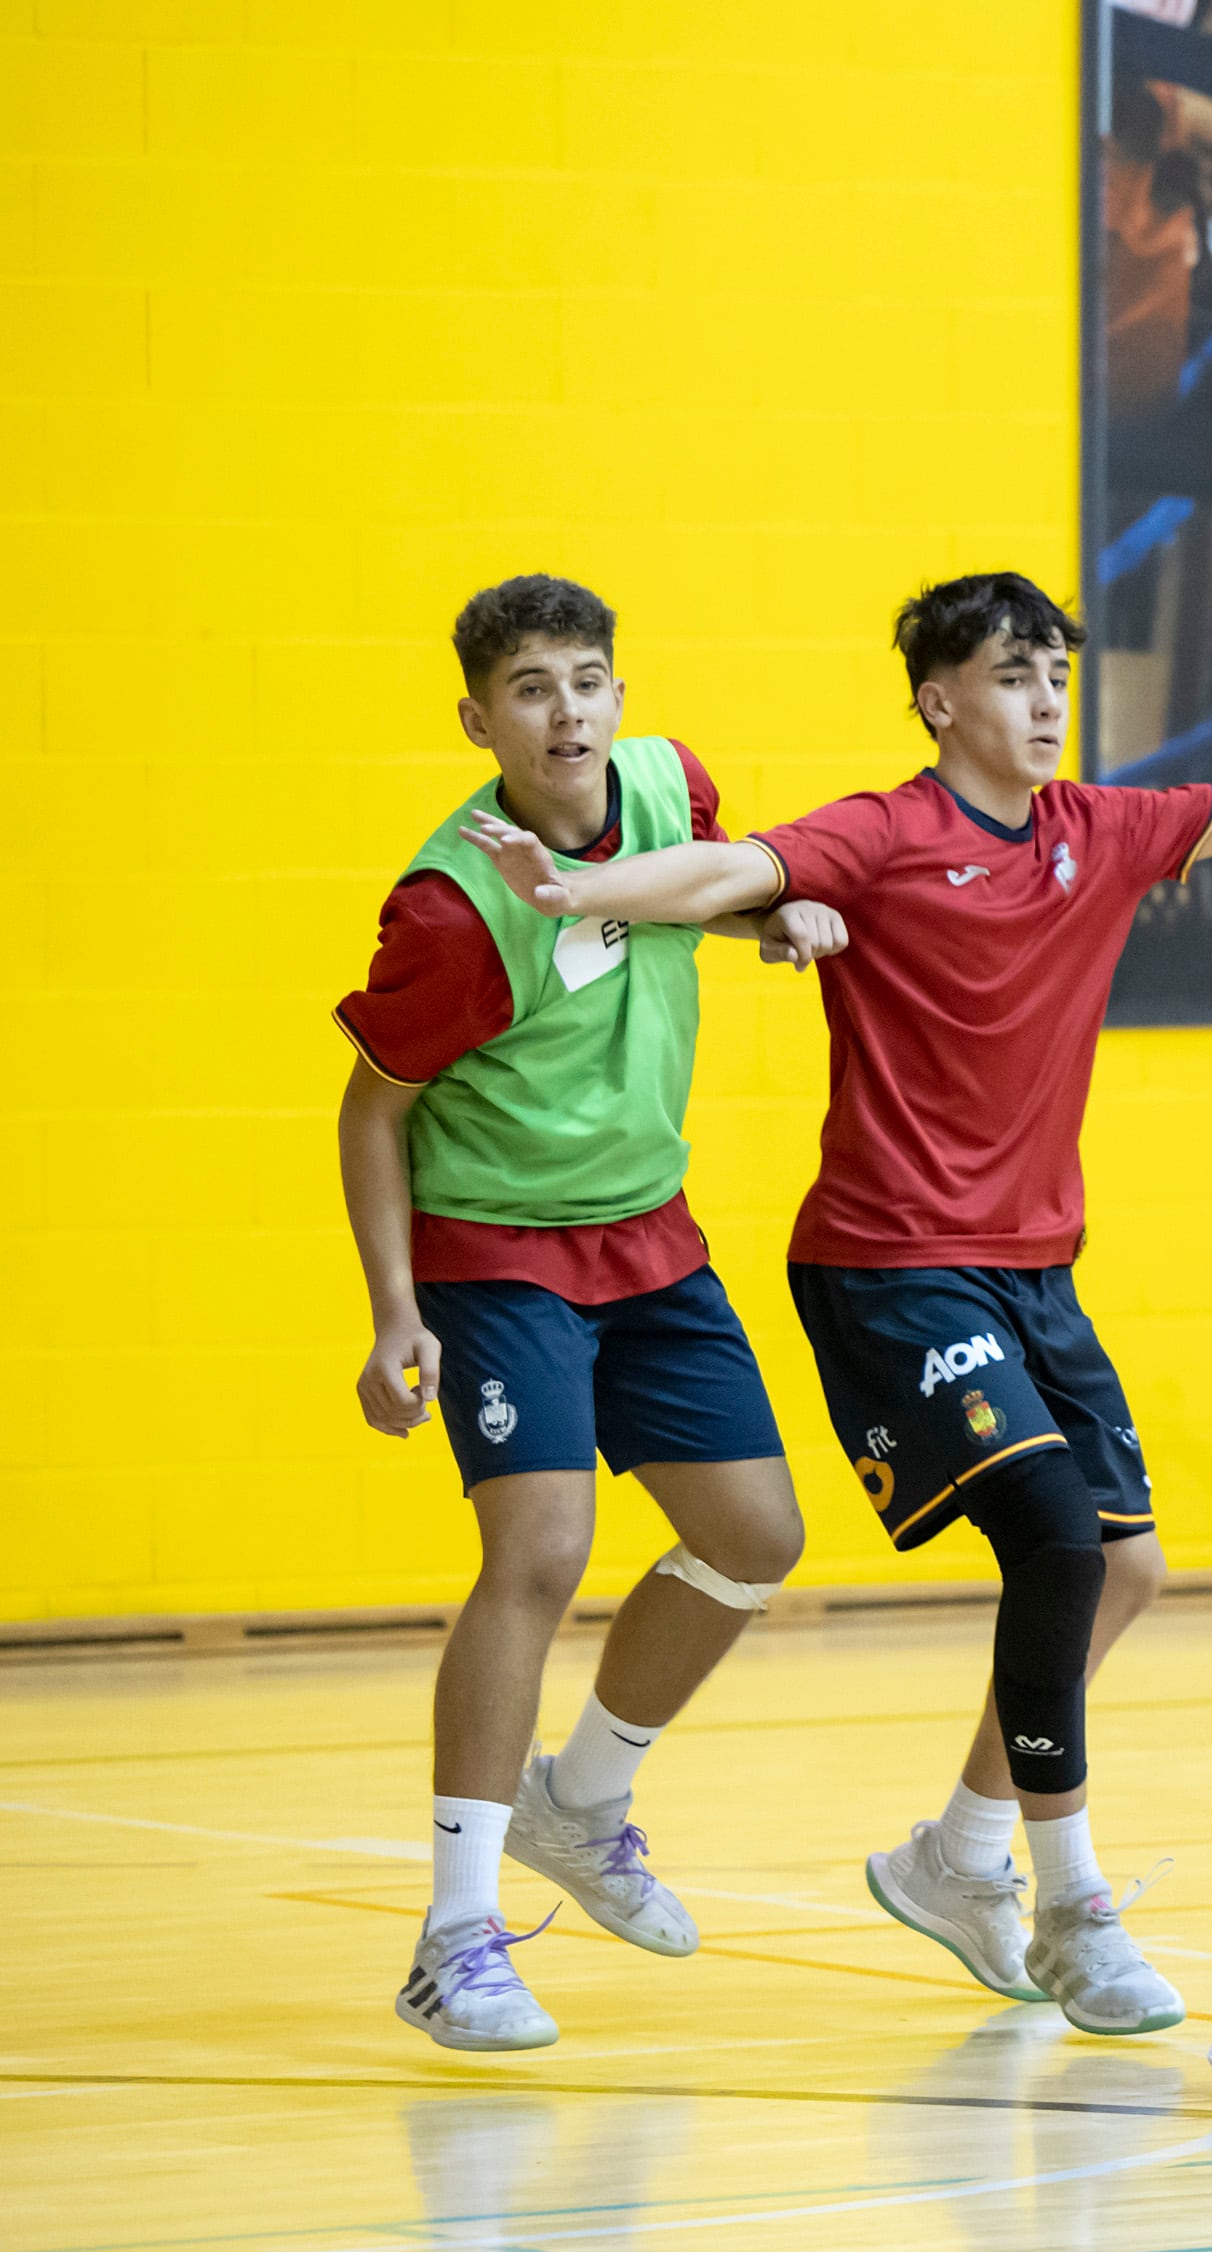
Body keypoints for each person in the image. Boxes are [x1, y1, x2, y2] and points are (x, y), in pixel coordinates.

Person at [461, 572, 1212, 2037]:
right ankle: (1070, 1905)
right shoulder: (881, 834)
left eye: (1057, 671)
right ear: (939, 699)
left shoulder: (1099, 833)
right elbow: (728, 875)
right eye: (1010, 675)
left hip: (1031, 1267)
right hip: (886, 1263)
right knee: (1054, 1535)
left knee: (1124, 1567)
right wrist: (580, 886)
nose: (1047, 698)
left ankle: (958, 1855)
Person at [339, 574, 840, 2052]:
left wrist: (781, 911)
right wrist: (391, 1312)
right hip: (494, 1248)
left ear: (619, 693)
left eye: (587, 679)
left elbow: (702, 901)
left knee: (757, 1533)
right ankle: (452, 1933)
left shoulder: (670, 784)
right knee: (541, 1545)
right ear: (478, 719)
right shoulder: (451, 905)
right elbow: (373, 1111)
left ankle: (586, 1801)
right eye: (533, 688)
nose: (567, 709)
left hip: (651, 1233)